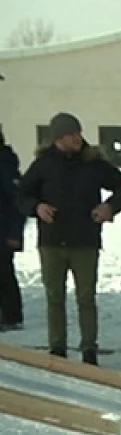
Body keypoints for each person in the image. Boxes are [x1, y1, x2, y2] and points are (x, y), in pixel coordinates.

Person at [16, 112, 121, 365]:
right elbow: (21, 195)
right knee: (54, 297)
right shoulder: (43, 165)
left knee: (86, 298)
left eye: (79, 133)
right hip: (52, 241)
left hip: (85, 241)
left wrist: (110, 207)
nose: (77, 138)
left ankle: (89, 348)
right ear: (58, 138)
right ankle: (57, 348)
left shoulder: (93, 163)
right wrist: (36, 207)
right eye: (71, 134)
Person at [0, 129, 24, 331]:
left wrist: (15, 233)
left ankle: (11, 315)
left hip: (3, 230)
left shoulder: (5, 163)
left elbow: (16, 202)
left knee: (4, 272)